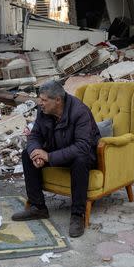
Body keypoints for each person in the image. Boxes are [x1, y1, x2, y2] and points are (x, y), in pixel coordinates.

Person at [11, 80, 100, 238]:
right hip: (58, 149)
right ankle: (38, 207)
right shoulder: (43, 111)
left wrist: (49, 156)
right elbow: (35, 135)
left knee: (80, 159)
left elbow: (82, 147)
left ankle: (77, 215)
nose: (41, 103)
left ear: (58, 100)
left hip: (83, 156)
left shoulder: (80, 112)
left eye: (44, 100)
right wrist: (36, 151)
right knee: (27, 154)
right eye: (40, 99)